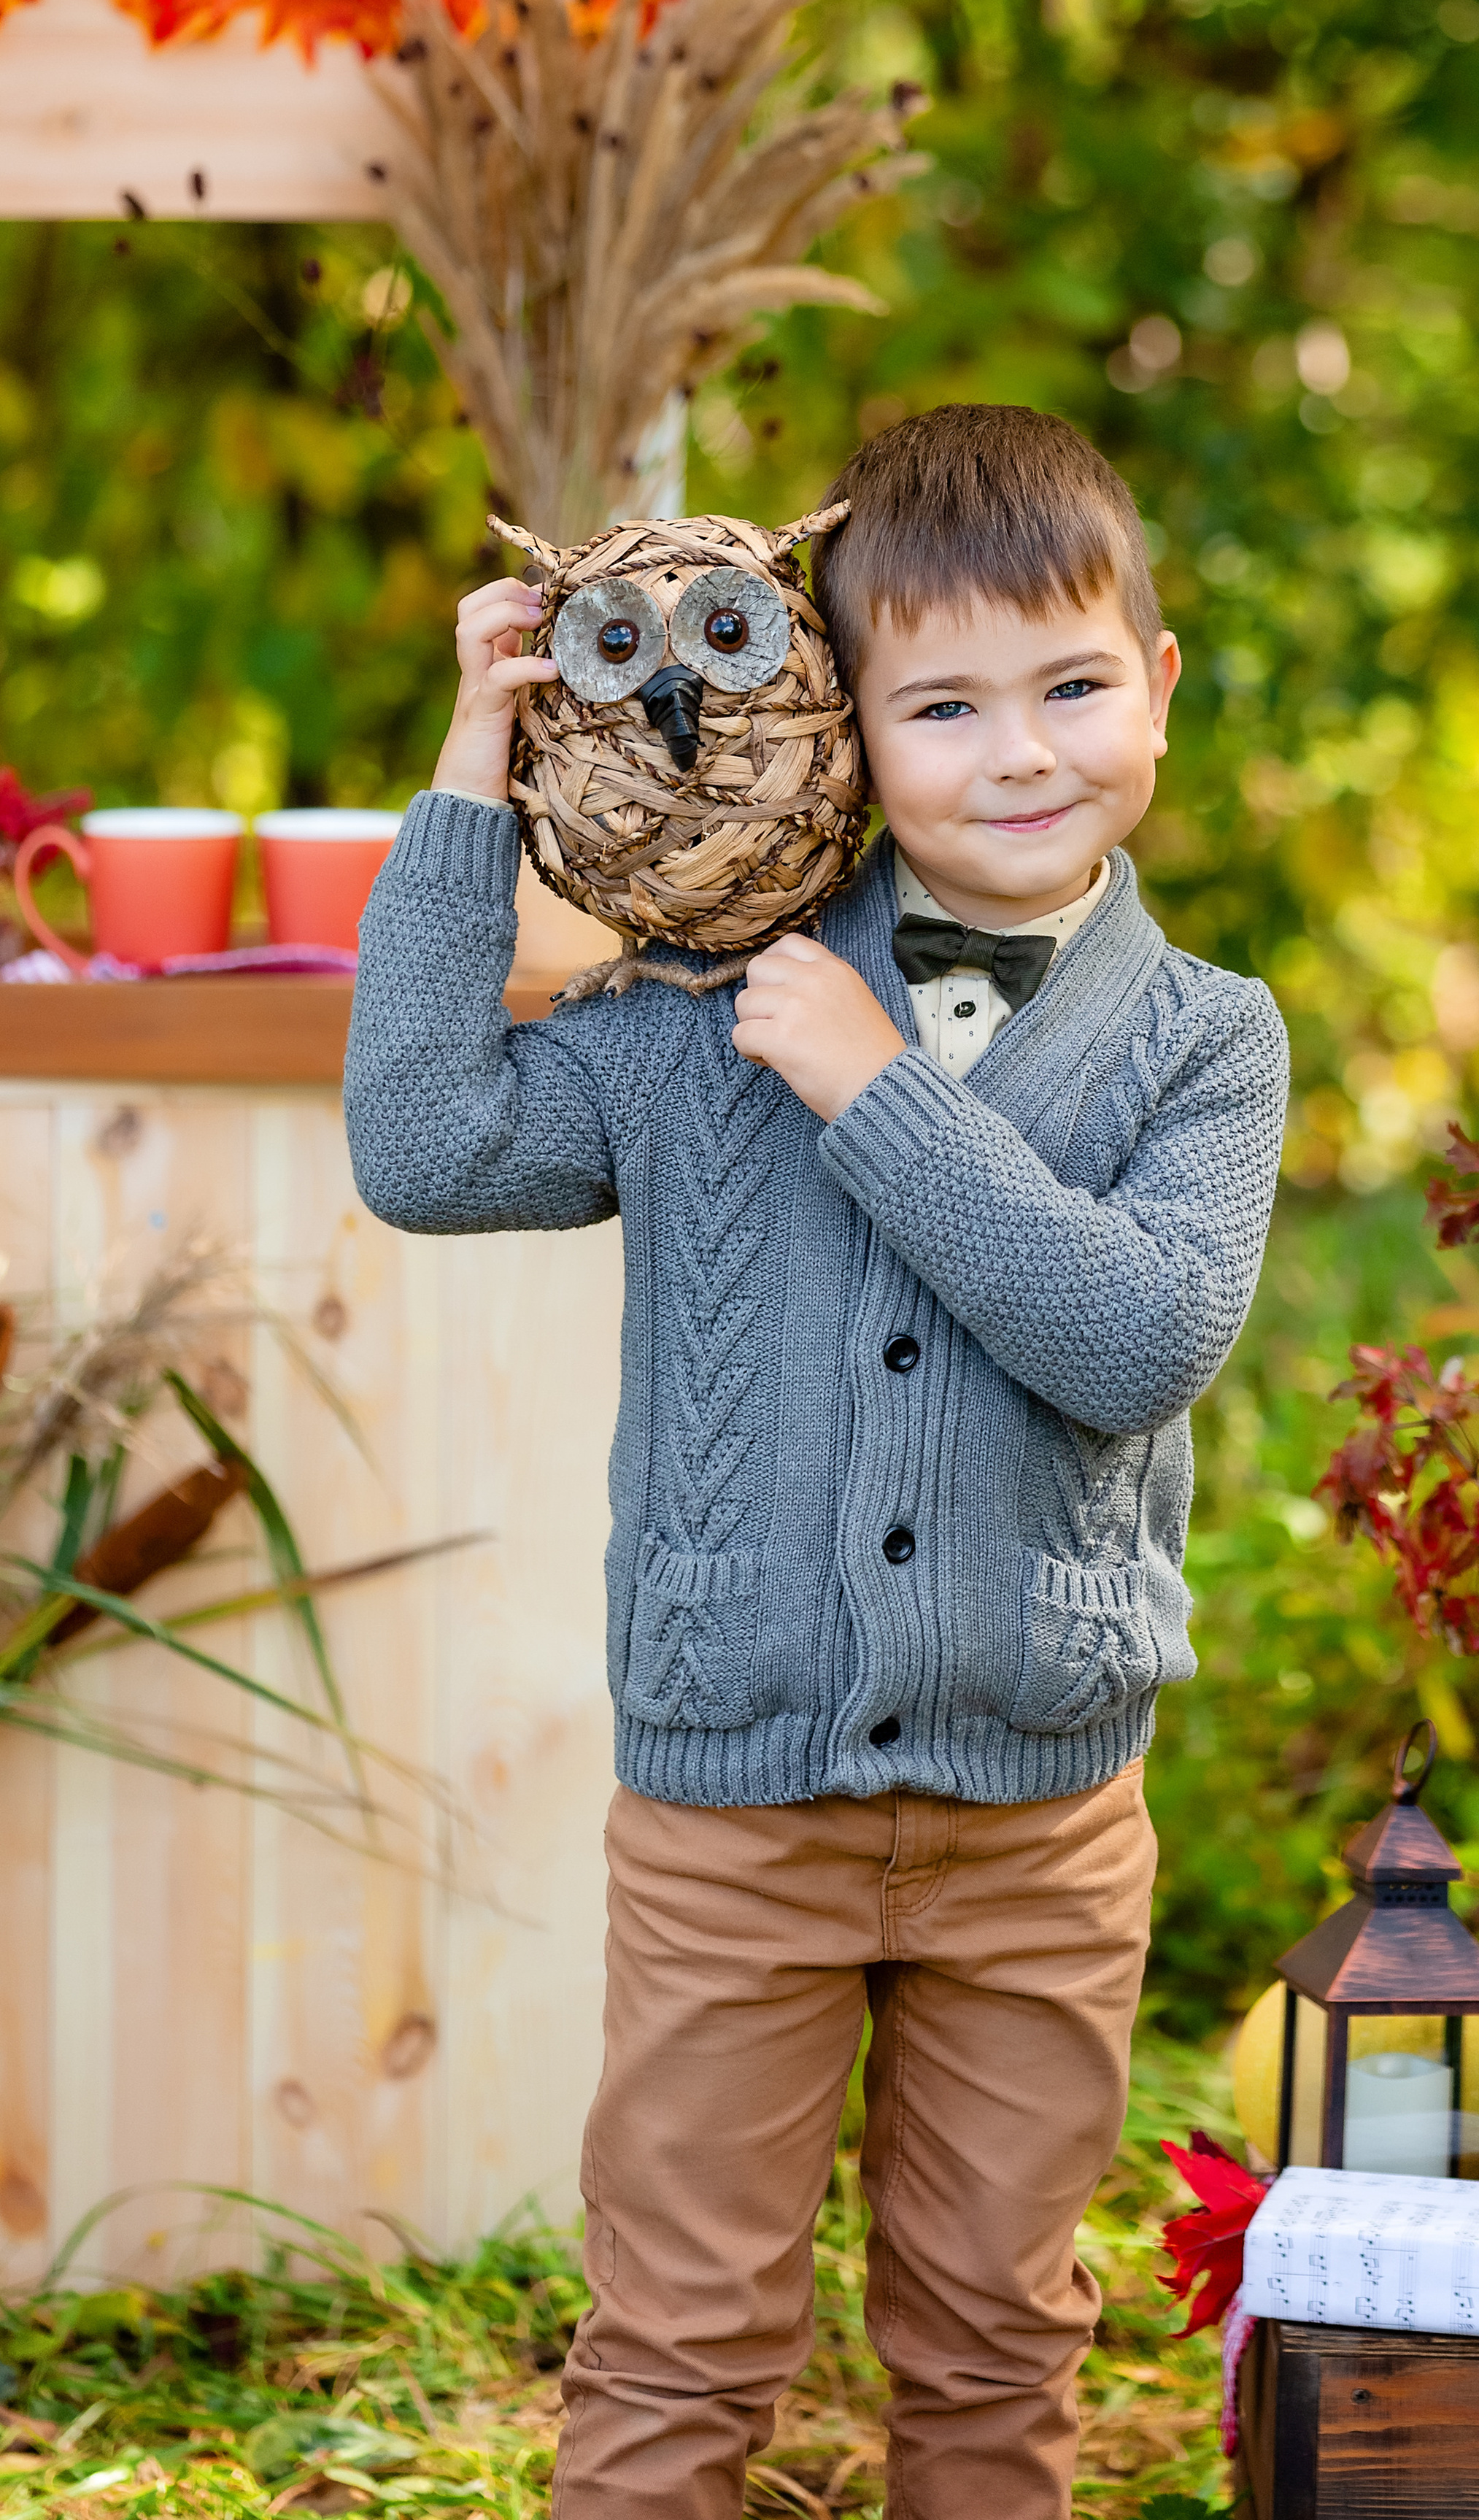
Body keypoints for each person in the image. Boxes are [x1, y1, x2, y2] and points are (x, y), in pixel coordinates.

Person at [344, 401, 1288, 2520]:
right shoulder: (703, 1015)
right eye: (942, 706)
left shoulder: (1205, 1040)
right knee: (680, 2346)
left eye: (1068, 685)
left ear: (1157, 684)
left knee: (993, 2340)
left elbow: (1133, 1339)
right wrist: (463, 794)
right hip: (732, 1816)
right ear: (846, 729)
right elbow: (421, 1146)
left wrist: (876, 1093)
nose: (1020, 751)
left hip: (1039, 1822)